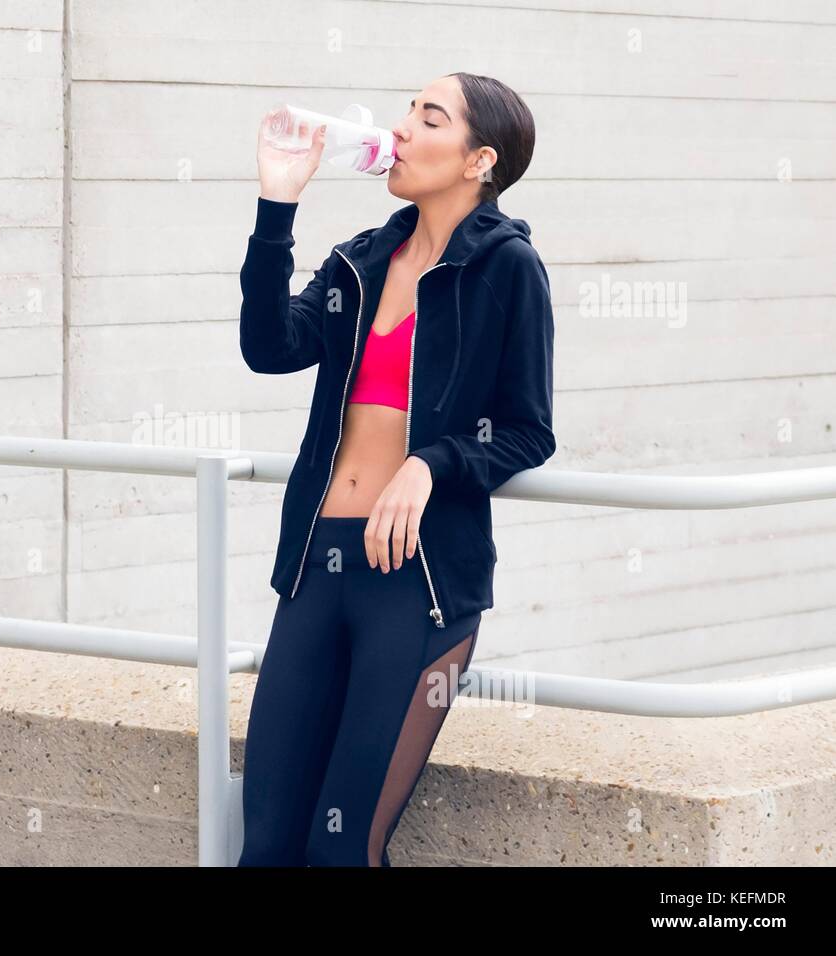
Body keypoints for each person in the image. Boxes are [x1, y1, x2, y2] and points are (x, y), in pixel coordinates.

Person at [236, 73, 557, 866]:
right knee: (268, 845)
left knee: (342, 851)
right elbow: (268, 348)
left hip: (418, 586)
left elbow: (528, 431)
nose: (402, 130)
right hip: (316, 568)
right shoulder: (361, 260)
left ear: (480, 159)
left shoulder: (508, 267)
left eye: (429, 117)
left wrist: (431, 464)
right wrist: (279, 203)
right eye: (408, 112)